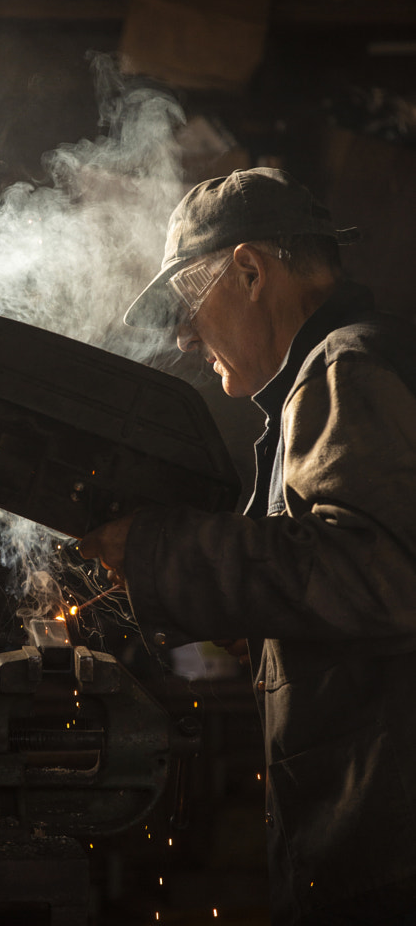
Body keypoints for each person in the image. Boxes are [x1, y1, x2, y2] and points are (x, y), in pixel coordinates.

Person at [80, 167, 416, 925]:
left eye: (186, 302)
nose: (182, 335)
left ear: (249, 269)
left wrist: (161, 551)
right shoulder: (354, 363)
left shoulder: (344, 369)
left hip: (389, 853)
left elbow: (382, 576)